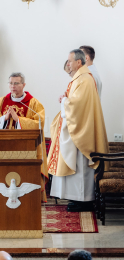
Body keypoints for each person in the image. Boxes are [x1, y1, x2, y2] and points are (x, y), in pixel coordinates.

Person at [48, 49, 108, 212]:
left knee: (81, 167)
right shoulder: (80, 78)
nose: (68, 64)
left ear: (79, 62)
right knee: (77, 168)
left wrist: (65, 100)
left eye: (70, 61)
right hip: (78, 127)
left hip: (82, 131)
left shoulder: (85, 79)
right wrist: (66, 98)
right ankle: (78, 199)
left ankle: (85, 201)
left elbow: (77, 105)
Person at [0, 72, 48, 202]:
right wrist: (4, 118)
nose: (13, 86)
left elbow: (39, 123)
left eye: (16, 83)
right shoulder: (1, 102)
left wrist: (18, 119)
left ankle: (31, 197)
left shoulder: (33, 104)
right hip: (3, 146)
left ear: (23, 85)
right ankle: (1, 196)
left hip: (27, 147)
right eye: (10, 83)